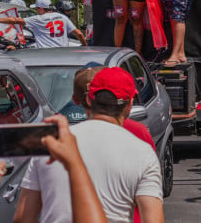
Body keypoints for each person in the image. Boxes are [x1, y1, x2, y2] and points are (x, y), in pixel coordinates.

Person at [14, 66, 164, 223]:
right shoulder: (142, 153)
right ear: (130, 104)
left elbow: (23, 217)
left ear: (88, 99)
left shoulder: (51, 144)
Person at [40, 115, 108, 223]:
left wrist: (73, 163)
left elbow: (22, 217)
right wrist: (73, 162)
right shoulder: (138, 147)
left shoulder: (44, 148)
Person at [0, 0, 86, 48]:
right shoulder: (62, 17)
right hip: (63, 52)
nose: (37, 11)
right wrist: (84, 46)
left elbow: (14, 20)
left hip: (46, 54)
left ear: (41, 8)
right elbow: (79, 34)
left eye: (37, 8)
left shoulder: (38, 19)